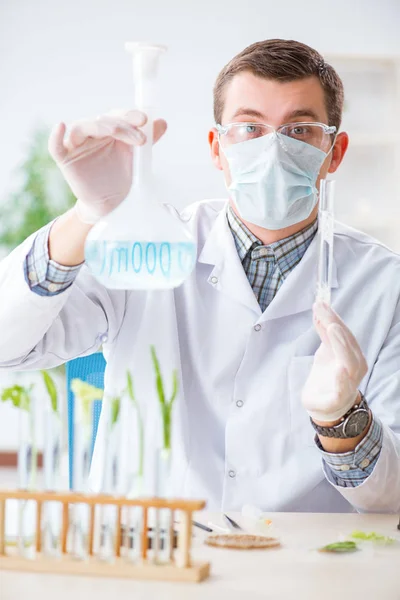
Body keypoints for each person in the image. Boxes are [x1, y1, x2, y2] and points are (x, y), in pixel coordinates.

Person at [0, 39, 399, 513]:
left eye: (300, 130)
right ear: (217, 148)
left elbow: (390, 498)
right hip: (151, 557)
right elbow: (10, 346)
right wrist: (88, 216)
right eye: (249, 127)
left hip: (303, 569)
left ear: (334, 152)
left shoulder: (385, 284)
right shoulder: (148, 252)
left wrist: (342, 421)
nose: (273, 148)